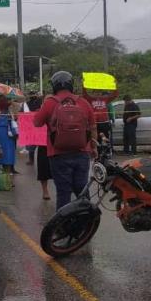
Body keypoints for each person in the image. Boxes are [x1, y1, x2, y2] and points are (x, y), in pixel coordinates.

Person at [34, 71, 96, 210]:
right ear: (71, 84)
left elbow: (37, 122)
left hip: (58, 154)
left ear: (54, 85)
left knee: (63, 192)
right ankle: (85, 221)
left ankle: (62, 226)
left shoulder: (50, 102)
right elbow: (93, 127)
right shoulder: (83, 102)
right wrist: (94, 148)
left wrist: (44, 104)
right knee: (82, 190)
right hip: (81, 152)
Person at [0, 96, 17, 178]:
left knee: (3, 153)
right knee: (8, 153)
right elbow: (12, 123)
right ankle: (7, 177)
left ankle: (3, 176)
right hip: (8, 135)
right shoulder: (7, 111)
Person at [24, 91, 43, 165]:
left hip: (33, 125)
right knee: (35, 144)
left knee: (32, 144)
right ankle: (34, 160)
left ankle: (32, 160)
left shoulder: (27, 103)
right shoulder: (40, 102)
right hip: (37, 124)